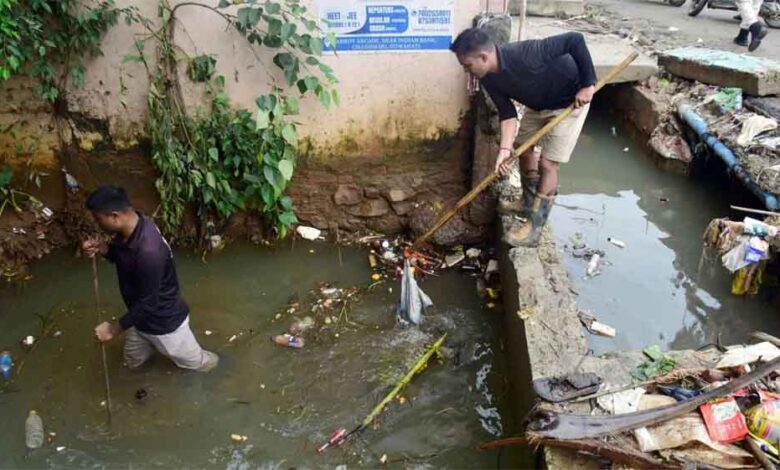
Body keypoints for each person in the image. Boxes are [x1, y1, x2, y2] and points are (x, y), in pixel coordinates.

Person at [450, 28, 597, 246]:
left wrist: (588, 84)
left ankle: (534, 227)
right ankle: (528, 203)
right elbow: (507, 114)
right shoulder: (488, 78)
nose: (466, 71)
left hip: (570, 103)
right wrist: (504, 150)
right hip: (538, 106)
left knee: (548, 164)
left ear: (484, 57)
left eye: (467, 66)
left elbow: (575, 39)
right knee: (522, 149)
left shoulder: (527, 53)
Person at [82, 185, 218, 372]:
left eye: (99, 219)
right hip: (139, 320)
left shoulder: (148, 251)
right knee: (133, 364)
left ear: (114, 216)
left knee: (201, 365)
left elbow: (149, 303)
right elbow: (124, 258)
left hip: (165, 325)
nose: (98, 224)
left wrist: (113, 329)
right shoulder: (133, 226)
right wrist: (104, 249)